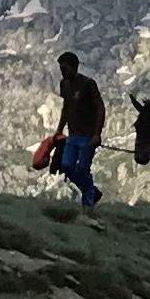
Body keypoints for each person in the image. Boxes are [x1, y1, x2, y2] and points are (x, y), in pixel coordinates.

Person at [52, 51, 105, 210]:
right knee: (66, 166)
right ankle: (91, 190)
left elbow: (100, 108)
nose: (62, 71)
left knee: (83, 169)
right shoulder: (64, 84)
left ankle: (87, 205)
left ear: (74, 67)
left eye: (65, 68)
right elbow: (66, 108)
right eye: (61, 68)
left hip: (88, 136)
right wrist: (59, 130)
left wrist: (97, 134)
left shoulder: (88, 84)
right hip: (72, 135)